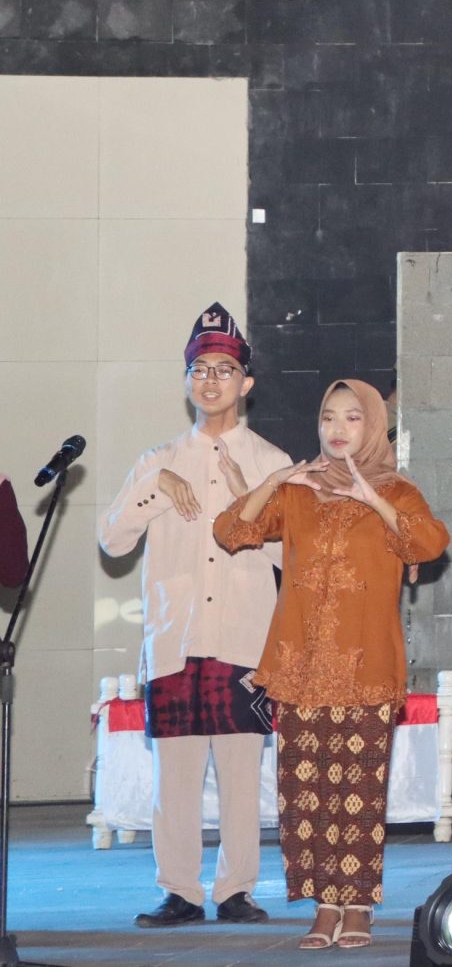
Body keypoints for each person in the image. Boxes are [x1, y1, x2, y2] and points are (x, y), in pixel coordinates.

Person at [213, 378, 449, 951]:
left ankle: (358, 904)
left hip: (366, 665)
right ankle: (323, 906)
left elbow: (429, 544)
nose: (337, 429)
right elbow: (231, 531)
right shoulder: (300, 492)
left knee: (360, 792)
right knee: (305, 796)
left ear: (374, 426)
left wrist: (374, 502)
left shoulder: (398, 491)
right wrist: (275, 481)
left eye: (352, 418)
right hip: (298, 665)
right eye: (328, 418)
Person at [97, 303, 294, 930]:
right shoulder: (156, 460)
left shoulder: (272, 463)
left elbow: (294, 557)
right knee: (174, 780)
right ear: (186, 381)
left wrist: (246, 500)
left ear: (246, 382)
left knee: (240, 776)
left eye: (224, 370)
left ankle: (236, 890)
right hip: (175, 640)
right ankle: (179, 891)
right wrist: (157, 483)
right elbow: (112, 541)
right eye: (200, 369)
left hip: (244, 640)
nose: (211, 380)